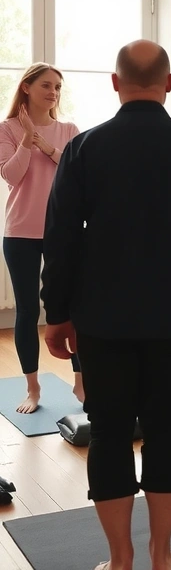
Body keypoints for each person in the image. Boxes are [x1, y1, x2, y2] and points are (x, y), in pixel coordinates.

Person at [41, 40, 171, 570]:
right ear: (169, 83)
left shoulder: (85, 149)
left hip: (102, 318)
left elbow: (60, 237)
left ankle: (120, 559)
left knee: (108, 431)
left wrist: (56, 312)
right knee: (165, 428)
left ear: (115, 83)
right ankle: (161, 554)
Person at [0, 63, 83, 413]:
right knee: (27, 310)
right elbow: (12, 176)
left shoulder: (69, 129)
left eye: (58, 87)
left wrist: (45, 146)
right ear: (27, 88)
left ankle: (81, 384)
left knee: (75, 307)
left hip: (64, 230)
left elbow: (77, 174)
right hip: (21, 231)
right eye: (46, 85)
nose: (53, 92)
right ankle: (32, 389)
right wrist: (24, 142)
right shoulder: (7, 129)